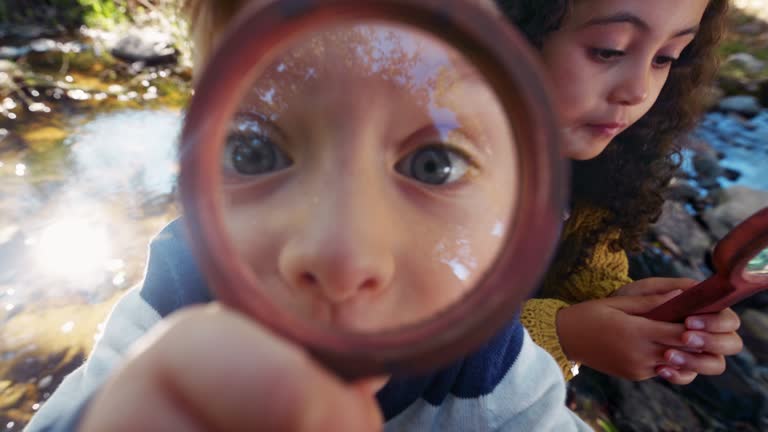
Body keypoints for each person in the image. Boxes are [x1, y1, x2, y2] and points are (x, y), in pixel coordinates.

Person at [25, 0, 591, 431]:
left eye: (433, 164)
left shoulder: (488, 373)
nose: (341, 254)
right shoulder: (176, 294)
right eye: (255, 153)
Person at [495, 0, 744, 384]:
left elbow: (584, 265)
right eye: (608, 50)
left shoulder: (591, 171)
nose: (639, 90)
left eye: (665, 58)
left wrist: (625, 306)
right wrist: (564, 336)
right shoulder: (408, 168)